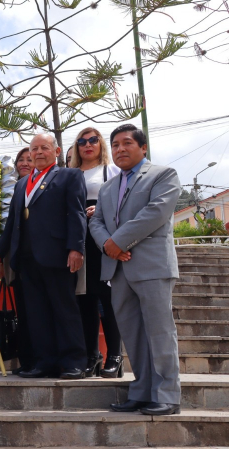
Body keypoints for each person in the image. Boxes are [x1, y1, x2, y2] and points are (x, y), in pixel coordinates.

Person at [90, 124, 182, 416]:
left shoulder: (163, 175)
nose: (119, 149)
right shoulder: (108, 187)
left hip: (152, 266)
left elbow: (155, 212)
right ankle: (142, 391)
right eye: (115, 144)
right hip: (117, 270)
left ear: (143, 147)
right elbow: (96, 222)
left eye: (126, 143)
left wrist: (118, 241)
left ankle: (168, 395)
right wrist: (108, 245)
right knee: (133, 334)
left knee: (160, 332)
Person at [0, 133, 87, 379]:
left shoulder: (70, 176)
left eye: (44, 148)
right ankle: (44, 362)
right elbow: (12, 224)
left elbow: (77, 213)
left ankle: (74, 362)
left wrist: (76, 248)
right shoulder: (21, 184)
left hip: (57, 255)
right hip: (26, 259)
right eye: (34, 149)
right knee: (35, 313)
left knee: (64, 310)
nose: (38, 152)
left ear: (57, 151)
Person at [69, 127, 123, 378]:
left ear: (101, 144)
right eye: (82, 141)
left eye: (93, 140)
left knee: (106, 298)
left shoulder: (110, 171)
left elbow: (122, 200)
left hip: (100, 237)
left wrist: (100, 208)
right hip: (76, 239)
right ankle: (92, 356)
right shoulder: (69, 174)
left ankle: (115, 355)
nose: (87, 145)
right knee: (84, 300)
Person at [0, 147, 35, 375]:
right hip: (15, 258)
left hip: (40, 257)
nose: (24, 162)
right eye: (20, 159)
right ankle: (27, 359)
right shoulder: (7, 189)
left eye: (29, 158)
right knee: (22, 311)